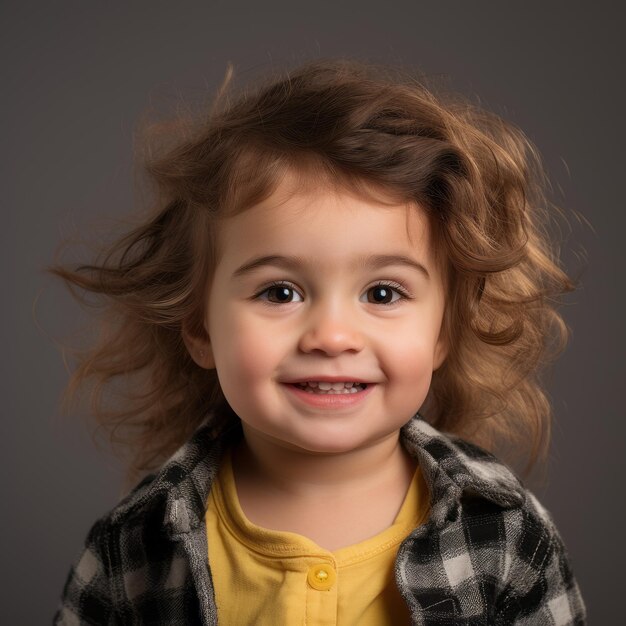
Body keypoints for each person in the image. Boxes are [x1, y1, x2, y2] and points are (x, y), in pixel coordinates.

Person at [53, 59, 586, 624]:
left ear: (443, 332)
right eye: (280, 293)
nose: (332, 336)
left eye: (382, 294)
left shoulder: (504, 535)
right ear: (200, 328)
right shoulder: (135, 549)